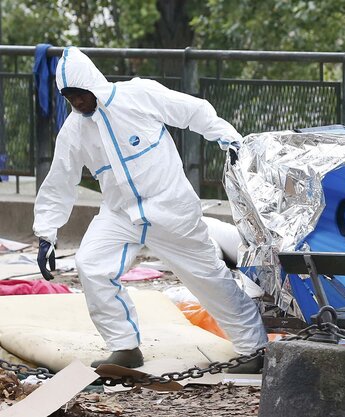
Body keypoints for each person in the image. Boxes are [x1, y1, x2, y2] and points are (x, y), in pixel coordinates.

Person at [33, 47, 268, 372]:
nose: (76, 102)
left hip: (171, 211)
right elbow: (60, 180)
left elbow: (193, 111)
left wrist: (229, 139)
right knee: (91, 265)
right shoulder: (75, 130)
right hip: (120, 215)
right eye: (69, 97)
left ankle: (254, 350)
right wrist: (46, 232)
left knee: (209, 279)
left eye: (80, 94)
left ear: (93, 84)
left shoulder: (138, 95)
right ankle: (124, 347)